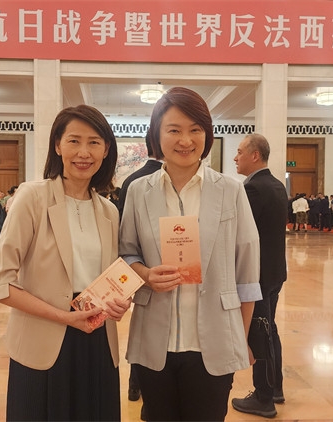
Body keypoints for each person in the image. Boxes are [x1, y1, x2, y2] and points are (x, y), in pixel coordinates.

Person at [119, 87, 261, 421]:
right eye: (174, 130)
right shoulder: (139, 191)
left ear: (207, 134)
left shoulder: (230, 190)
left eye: (195, 129)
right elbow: (126, 253)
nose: (185, 140)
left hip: (215, 340)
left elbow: (247, 273)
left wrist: (240, 338)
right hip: (154, 339)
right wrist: (145, 275)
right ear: (157, 135)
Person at [0, 104, 130, 420]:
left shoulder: (108, 211)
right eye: (74, 141)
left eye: (94, 142)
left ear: (106, 150)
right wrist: (65, 317)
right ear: (58, 145)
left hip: (96, 341)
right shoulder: (32, 197)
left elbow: (110, 277)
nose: (84, 152)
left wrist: (120, 302)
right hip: (43, 340)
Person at [231, 133, 288, 418]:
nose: (235, 157)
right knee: (270, 329)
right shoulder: (276, 185)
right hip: (275, 271)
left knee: (260, 332)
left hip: (258, 275)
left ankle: (264, 398)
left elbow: (241, 234)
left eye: (240, 152)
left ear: (255, 155)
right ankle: (275, 387)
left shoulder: (252, 188)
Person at [116, 131, 163, 406]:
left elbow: (124, 230)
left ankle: (135, 385)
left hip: (134, 263)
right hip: (159, 268)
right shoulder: (150, 182)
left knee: (141, 324)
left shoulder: (130, 180)